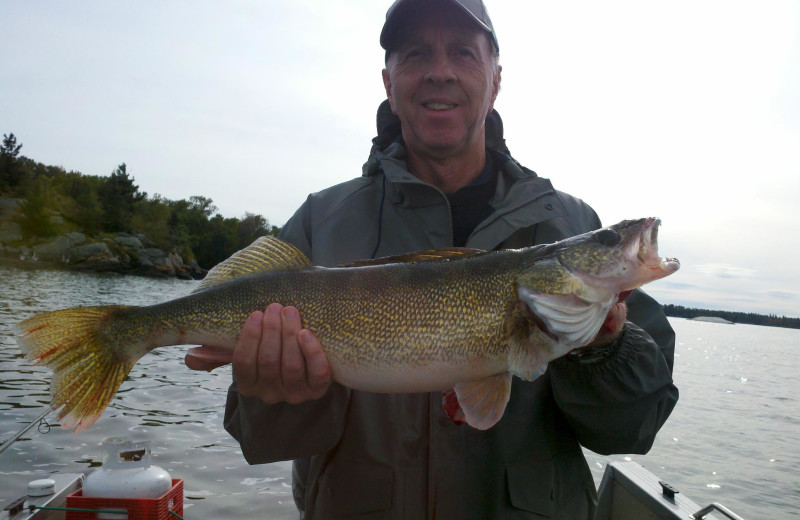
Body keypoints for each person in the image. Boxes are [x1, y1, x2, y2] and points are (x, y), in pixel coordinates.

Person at [186, 0, 678, 518]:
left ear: (496, 79)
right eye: (417, 53)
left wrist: (604, 351)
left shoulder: (571, 223)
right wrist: (272, 393)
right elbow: (260, 438)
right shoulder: (319, 221)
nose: (440, 72)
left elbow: (635, 426)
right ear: (388, 82)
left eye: (463, 52)